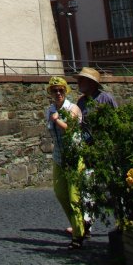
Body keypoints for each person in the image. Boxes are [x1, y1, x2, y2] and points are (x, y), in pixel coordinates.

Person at [75, 66, 118, 235]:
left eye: (81, 80)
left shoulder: (106, 98)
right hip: (89, 151)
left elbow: (116, 120)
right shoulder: (81, 102)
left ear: (91, 83)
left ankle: (123, 221)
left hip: (106, 150)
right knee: (87, 188)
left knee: (113, 187)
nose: (78, 83)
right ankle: (87, 224)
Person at [46, 76, 86, 249]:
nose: (58, 93)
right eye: (54, 90)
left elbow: (71, 127)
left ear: (65, 91)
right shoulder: (50, 110)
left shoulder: (73, 108)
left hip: (74, 156)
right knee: (60, 193)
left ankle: (78, 236)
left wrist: (56, 120)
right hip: (58, 156)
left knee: (74, 196)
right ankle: (81, 226)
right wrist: (52, 118)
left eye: (61, 90)